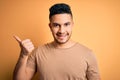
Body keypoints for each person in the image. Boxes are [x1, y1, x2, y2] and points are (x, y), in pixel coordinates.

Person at [13, 3, 101, 80]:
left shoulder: (88, 54)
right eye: (56, 25)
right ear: (50, 26)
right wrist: (23, 55)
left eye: (66, 24)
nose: (61, 31)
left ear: (72, 25)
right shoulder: (38, 53)